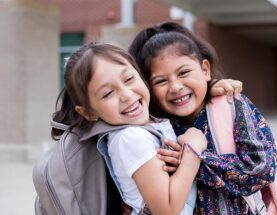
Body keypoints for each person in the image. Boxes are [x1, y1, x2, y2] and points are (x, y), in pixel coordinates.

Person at [129, 22, 277, 214]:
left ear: (205, 70)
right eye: (161, 81)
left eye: (183, 72)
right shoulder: (158, 127)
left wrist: (195, 161)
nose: (175, 87)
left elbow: (261, 169)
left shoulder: (232, 104)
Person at [52, 42, 209, 215]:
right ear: (88, 112)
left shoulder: (146, 125)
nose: (127, 95)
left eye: (129, 79)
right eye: (108, 93)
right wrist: (193, 149)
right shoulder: (131, 138)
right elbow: (167, 210)